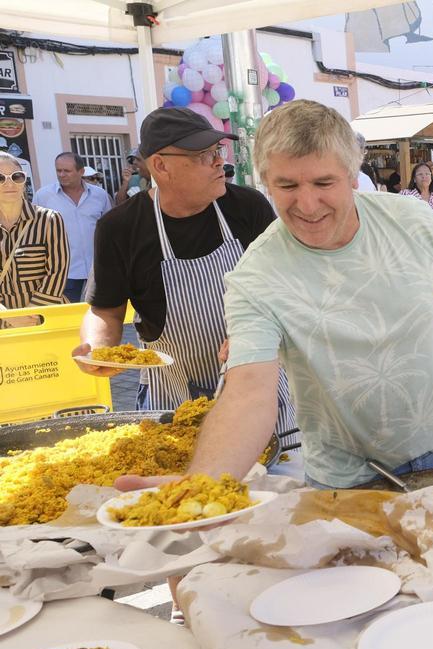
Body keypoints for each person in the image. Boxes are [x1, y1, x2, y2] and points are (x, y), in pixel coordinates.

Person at [115, 99, 433, 491]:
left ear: (353, 174)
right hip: (343, 481)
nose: (308, 203)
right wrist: (201, 484)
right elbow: (248, 392)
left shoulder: (411, 220)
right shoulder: (256, 275)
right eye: (287, 185)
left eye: (323, 182)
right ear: (265, 182)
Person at [73, 106, 301, 476]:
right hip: (173, 395)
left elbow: (290, 283)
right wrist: (100, 348)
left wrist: (258, 329)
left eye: (219, 152)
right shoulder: (121, 227)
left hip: (260, 388)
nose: (219, 164)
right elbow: (106, 310)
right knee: (181, 497)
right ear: (160, 166)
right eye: (204, 156)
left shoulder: (247, 207)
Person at [33, 151, 113, 302]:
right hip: (63, 273)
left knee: (99, 316)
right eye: (58, 170)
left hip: (97, 271)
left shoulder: (99, 195)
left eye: (67, 171)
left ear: (81, 171)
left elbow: (109, 230)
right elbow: (35, 233)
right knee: (69, 320)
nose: (61, 174)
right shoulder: (43, 196)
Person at [0, 151, 69, 319]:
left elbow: (57, 272)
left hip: (46, 318)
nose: (9, 184)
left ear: (24, 180)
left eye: (16, 176)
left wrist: (32, 314)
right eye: (0, 178)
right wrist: (7, 317)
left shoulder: (49, 219)